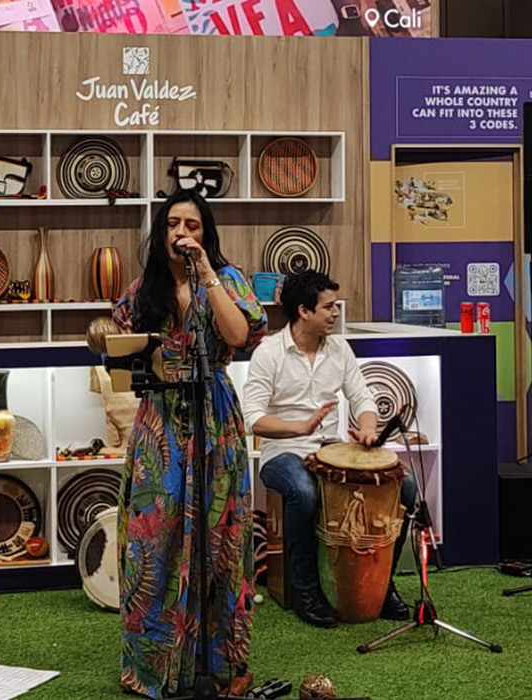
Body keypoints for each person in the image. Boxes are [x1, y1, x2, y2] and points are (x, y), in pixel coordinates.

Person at [112, 189, 266, 698]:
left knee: (219, 538)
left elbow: (239, 333)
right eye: (174, 224)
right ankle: (156, 666)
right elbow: (123, 352)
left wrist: (206, 275)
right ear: (161, 233)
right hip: (160, 420)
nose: (183, 233)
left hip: (214, 415)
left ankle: (221, 664)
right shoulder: (141, 292)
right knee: (155, 537)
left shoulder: (229, 279)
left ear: (207, 233)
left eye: (194, 226)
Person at [241, 269, 415, 628]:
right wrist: (297, 427)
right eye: (329, 307)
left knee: (406, 488)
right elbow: (252, 417)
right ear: (304, 311)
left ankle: (382, 584)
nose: (336, 313)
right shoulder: (268, 352)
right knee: (304, 492)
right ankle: (306, 590)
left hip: (330, 449)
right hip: (281, 452)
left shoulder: (339, 348)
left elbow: (362, 397)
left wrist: (368, 430)